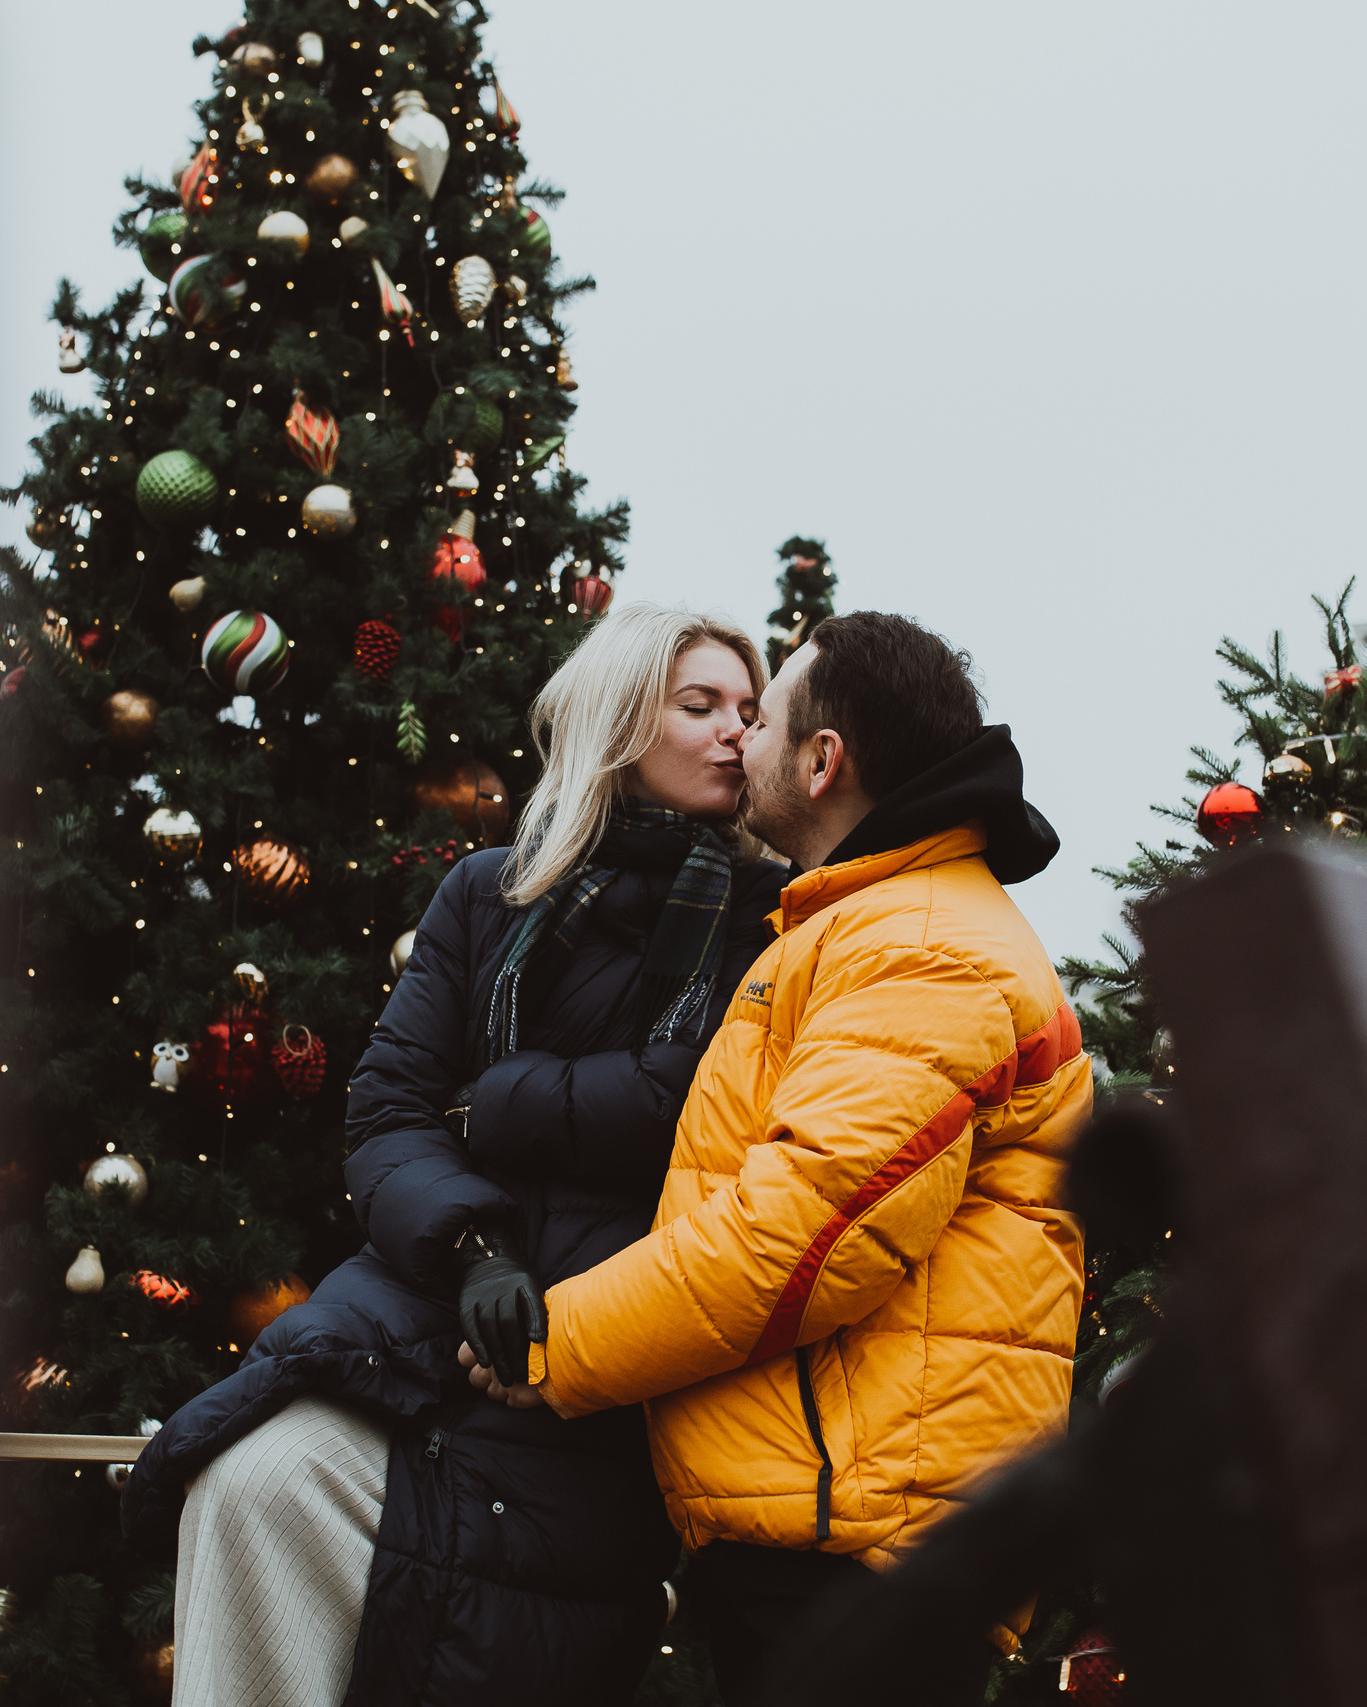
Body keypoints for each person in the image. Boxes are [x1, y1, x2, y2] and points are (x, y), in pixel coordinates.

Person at [122, 606, 787, 1707]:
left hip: (593, 1354)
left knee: (484, 1610)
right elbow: (390, 1108)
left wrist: (502, 1101)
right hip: (426, 1309)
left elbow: (694, 1113)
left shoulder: (771, 922)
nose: (735, 733)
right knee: (248, 1484)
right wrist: (471, 1246)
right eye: (701, 705)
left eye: (751, 713)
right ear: (619, 722)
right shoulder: (490, 892)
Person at [462, 611, 1090, 1707]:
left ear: (821, 758)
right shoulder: (855, 926)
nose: (738, 740)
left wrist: (551, 1349)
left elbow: (798, 1239)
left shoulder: (920, 947)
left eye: (761, 718)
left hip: (858, 1547)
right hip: (826, 1524)